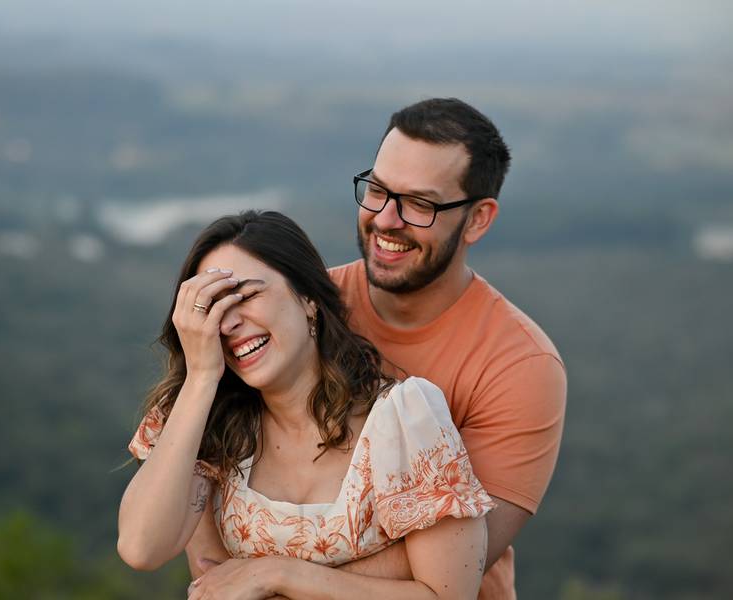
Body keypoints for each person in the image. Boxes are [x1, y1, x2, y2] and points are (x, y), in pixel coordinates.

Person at [185, 98, 567, 599]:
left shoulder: (519, 367)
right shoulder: (298, 310)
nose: (386, 220)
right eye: (378, 191)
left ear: (477, 220)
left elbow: (453, 568)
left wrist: (271, 571)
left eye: (420, 204)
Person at [118, 210, 495, 599]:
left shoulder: (403, 418)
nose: (228, 324)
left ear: (308, 298)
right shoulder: (212, 420)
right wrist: (200, 378)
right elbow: (141, 547)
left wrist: (278, 574)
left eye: (246, 296)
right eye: (212, 310)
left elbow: (448, 594)